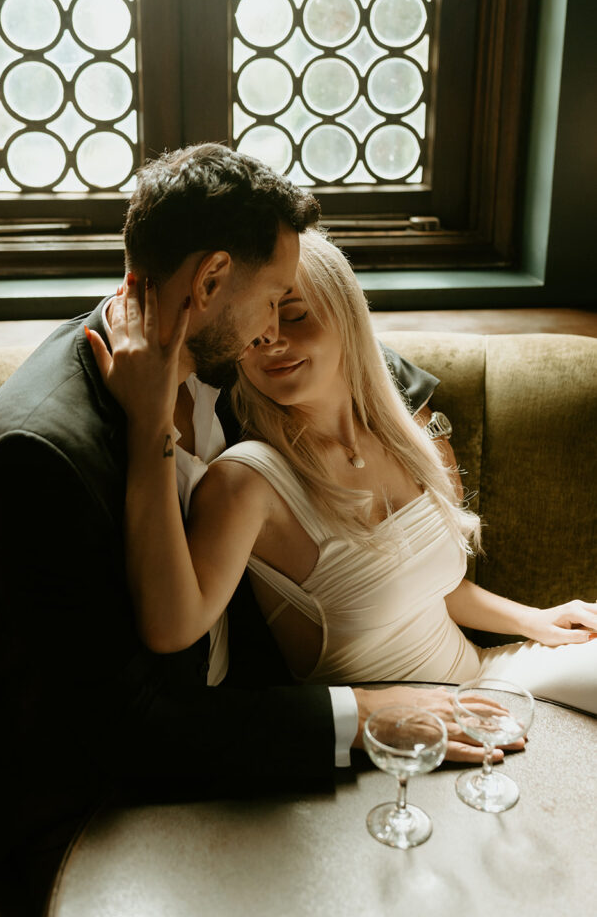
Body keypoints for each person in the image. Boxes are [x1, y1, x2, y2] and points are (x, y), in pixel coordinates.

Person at [0, 144, 456, 916]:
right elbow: (118, 725)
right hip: (103, 800)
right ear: (212, 279)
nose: (273, 330)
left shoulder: (224, 352)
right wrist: (360, 715)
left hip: (254, 735)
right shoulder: (37, 451)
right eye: (274, 298)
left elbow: (370, 366)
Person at [91, 230, 597, 719]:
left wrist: (537, 619)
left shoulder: (405, 435)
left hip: (490, 678)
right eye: (256, 331)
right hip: (396, 733)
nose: (271, 341)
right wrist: (149, 422)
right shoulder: (246, 483)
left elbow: (426, 586)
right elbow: (170, 627)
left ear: (347, 317)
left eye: (292, 316)